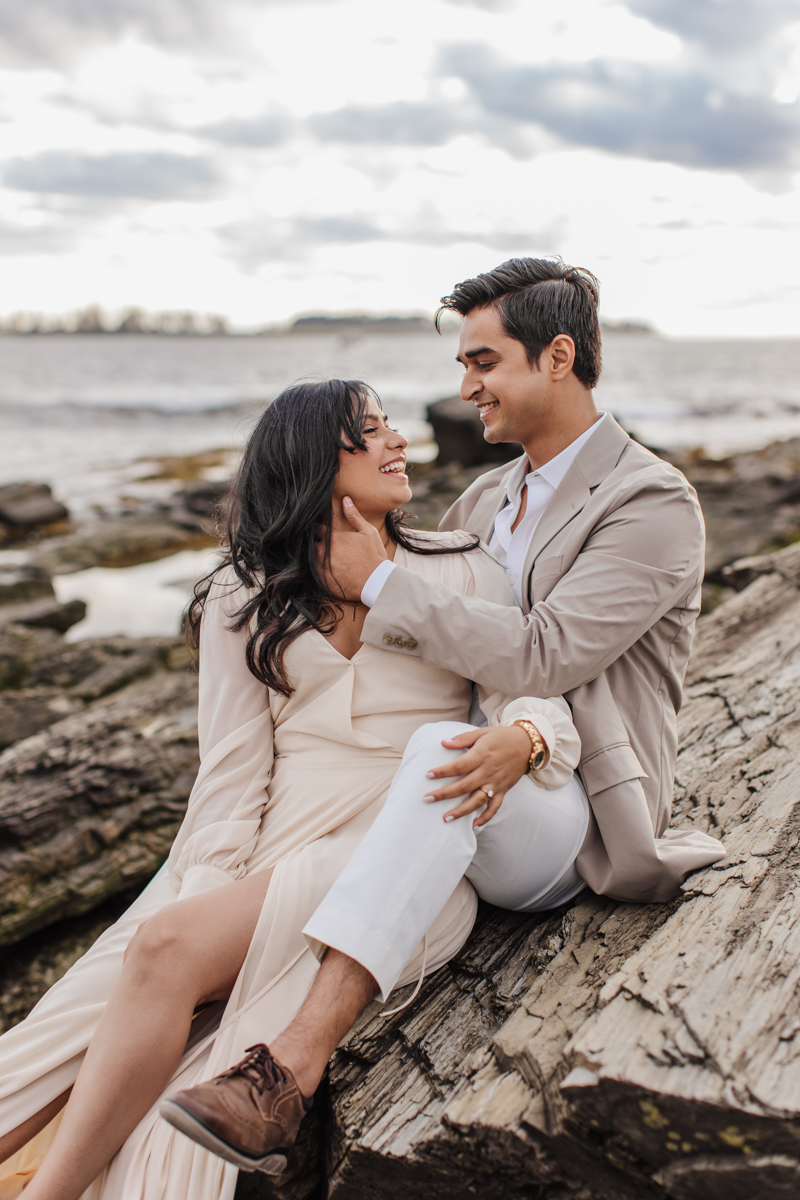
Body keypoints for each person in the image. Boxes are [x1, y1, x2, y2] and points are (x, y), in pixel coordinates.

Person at [166, 257, 724, 1174]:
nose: (464, 388)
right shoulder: (484, 500)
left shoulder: (651, 503)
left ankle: (287, 1073)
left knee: (433, 746)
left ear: (557, 356)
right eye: (463, 366)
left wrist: (379, 582)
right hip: (455, 807)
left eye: (483, 362)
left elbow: (546, 652)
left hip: (571, 811)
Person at [0, 378, 588, 1199]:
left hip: (399, 853)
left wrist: (524, 740)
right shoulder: (245, 594)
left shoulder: (458, 568)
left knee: (178, 1009)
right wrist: (207, 894)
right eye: (371, 432)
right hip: (262, 845)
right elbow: (231, 776)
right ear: (314, 458)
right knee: (78, 1015)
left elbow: (530, 688)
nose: (398, 443)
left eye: (391, 427)